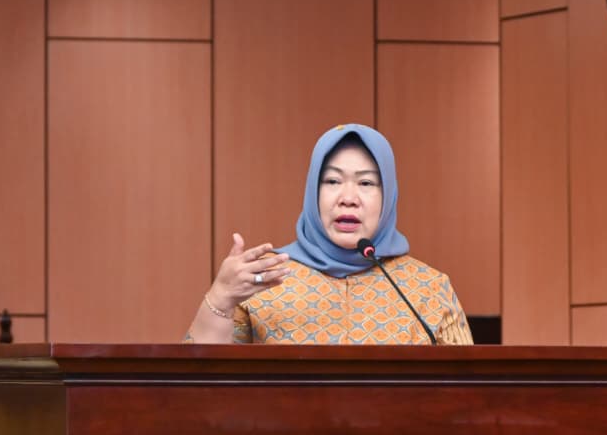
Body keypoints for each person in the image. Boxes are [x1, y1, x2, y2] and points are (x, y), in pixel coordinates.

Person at [186, 123, 472, 345]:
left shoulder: (430, 289)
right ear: (313, 191)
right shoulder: (263, 277)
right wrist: (221, 298)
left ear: (388, 196)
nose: (348, 198)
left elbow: (470, 389)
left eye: (366, 183)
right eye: (333, 181)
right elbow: (200, 389)